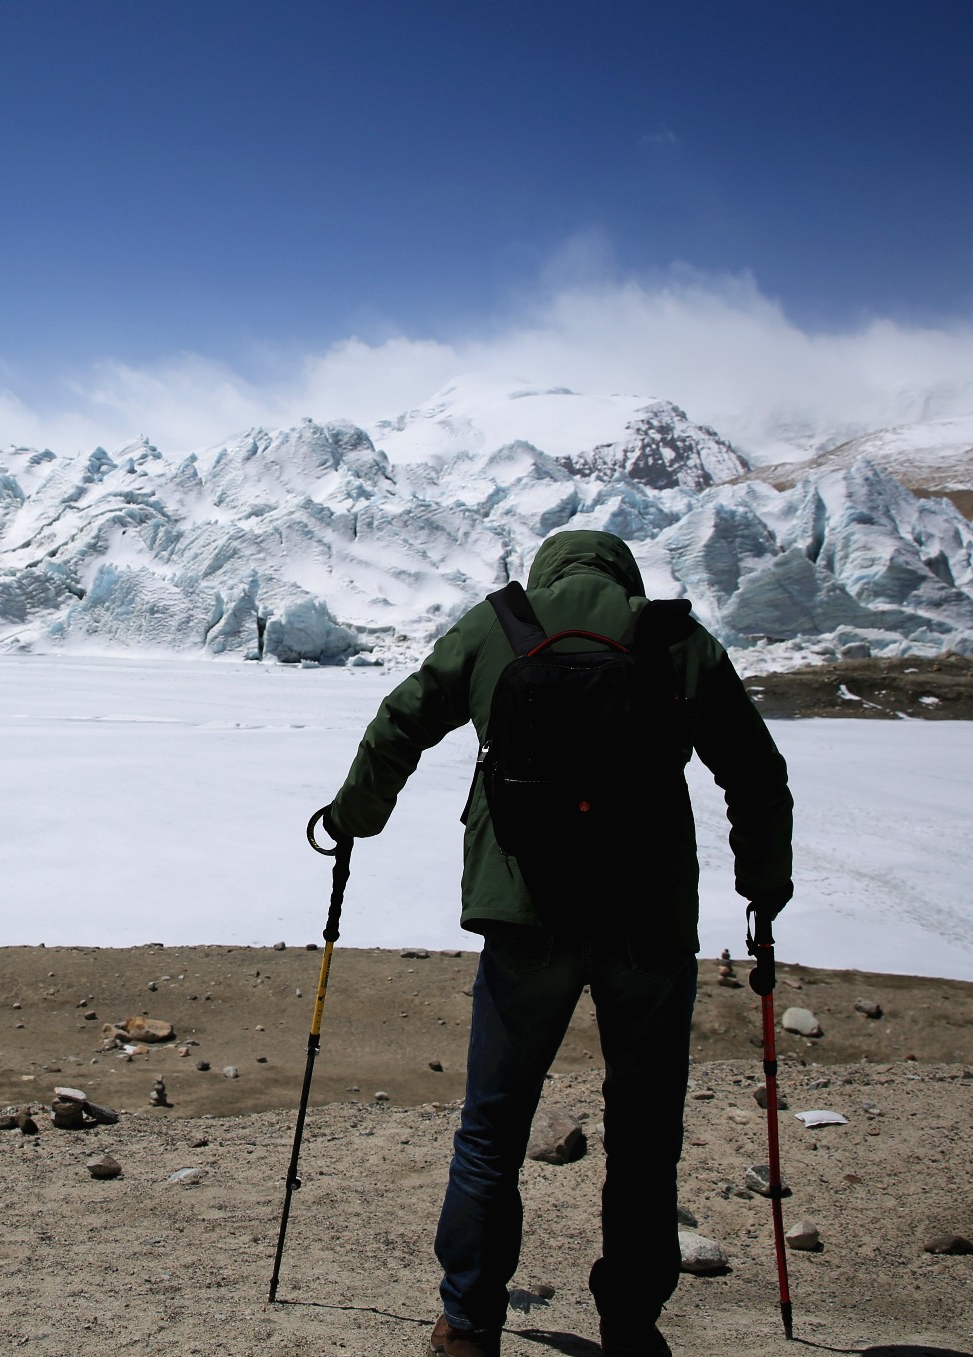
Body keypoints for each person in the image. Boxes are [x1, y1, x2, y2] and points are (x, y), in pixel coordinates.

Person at [318, 529, 792, 1357]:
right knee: (645, 1131)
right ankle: (632, 1325)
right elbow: (754, 770)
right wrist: (762, 886)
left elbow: (402, 719)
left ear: (547, 571)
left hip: (525, 911)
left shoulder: (500, 624)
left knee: (493, 1127)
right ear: (622, 573)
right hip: (647, 920)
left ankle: (467, 1323)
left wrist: (353, 818)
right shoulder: (674, 635)